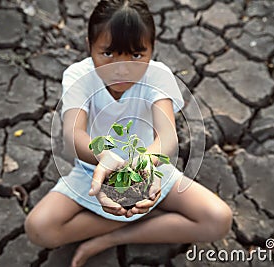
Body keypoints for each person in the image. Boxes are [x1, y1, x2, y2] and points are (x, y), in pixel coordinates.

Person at [25, 1, 233, 266]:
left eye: (136, 56)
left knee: (218, 219)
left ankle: (114, 236)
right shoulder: (79, 75)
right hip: (93, 173)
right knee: (39, 228)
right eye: (108, 54)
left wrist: (142, 165)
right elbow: (73, 134)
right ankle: (144, 214)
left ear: (152, 49)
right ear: (90, 45)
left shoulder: (157, 77)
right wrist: (104, 159)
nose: (121, 69)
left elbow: (168, 138)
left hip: (148, 169)